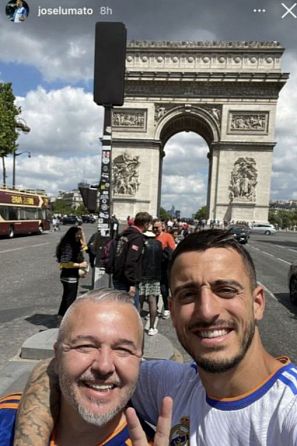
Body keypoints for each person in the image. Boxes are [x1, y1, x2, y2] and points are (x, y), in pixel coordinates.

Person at [12, 230, 297, 444]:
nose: (207, 310)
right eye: (188, 294)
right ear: (171, 311)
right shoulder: (169, 384)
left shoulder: (290, 409)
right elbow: (61, 367)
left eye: (225, 290)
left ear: (258, 303)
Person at [2, 288, 172, 445]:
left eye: (123, 349)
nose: (104, 366)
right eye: (85, 346)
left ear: (140, 361)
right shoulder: (6, 416)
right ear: (57, 355)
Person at [113, 211, 152, 308]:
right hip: (126, 281)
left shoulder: (124, 234)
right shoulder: (137, 238)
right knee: (131, 311)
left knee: (120, 308)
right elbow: (131, 261)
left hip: (118, 275)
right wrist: (132, 283)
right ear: (146, 224)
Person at [56, 226, 88, 320]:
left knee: (66, 298)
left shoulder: (73, 243)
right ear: (72, 234)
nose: (79, 236)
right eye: (77, 234)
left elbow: (85, 247)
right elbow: (65, 263)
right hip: (69, 276)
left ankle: (61, 317)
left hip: (69, 276)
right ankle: (67, 320)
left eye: (80, 234)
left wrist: (83, 235)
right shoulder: (69, 245)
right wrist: (80, 265)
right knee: (70, 299)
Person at [139, 229, 163, 336]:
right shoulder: (159, 244)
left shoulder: (143, 244)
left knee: (140, 300)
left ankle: (136, 326)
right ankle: (152, 328)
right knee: (152, 301)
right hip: (155, 276)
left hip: (143, 275)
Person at [152, 219, 175, 319]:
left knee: (164, 289)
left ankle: (166, 308)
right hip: (152, 267)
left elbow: (172, 251)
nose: (155, 229)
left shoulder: (167, 236)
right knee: (154, 289)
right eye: (154, 227)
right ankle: (154, 309)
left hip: (164, 267)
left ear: (162, 227)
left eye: (157, 227)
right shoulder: (150, 236)